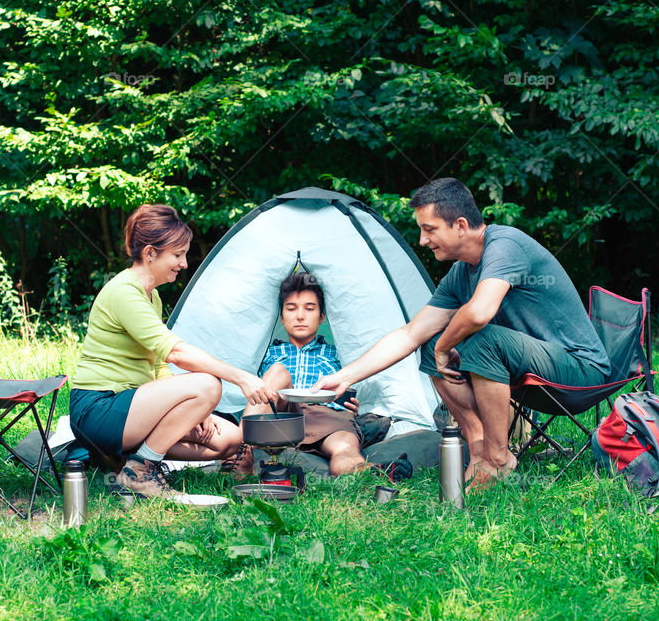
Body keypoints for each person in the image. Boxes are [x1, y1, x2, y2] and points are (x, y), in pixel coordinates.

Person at [315, 178, 610, 490]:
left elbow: (480, 312)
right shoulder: (461, 272)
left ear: (459, 225)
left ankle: (498, 460)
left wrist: (445, 347)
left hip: (579, 376)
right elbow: (411, 333)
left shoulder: (505, 246)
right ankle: (480, 448)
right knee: (430, 344)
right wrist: (346, 377)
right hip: (528, 379)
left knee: (482, 339)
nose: (422, 240)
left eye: (429, 229)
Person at [69, 204, 273, 501]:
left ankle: (125, 461)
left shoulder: (152, 296)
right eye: (177, 255)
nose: (184, 263)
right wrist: (239, 377)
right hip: (99, 408)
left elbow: (160, 364)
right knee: (207, 384)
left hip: (130, 408)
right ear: (150, 253)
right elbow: (175, 352)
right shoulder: (124, 292)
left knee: (228, 439)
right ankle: (140, 471)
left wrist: (197, 412)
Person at [239, 272, 367, 476]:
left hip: (324, 415)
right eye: (291, 309)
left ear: (322, 316)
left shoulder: (336, 353)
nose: (300, 316)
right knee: (277, 371)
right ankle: (241, 451)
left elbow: (349, 385)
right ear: (281, 317)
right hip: (279, 415)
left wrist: (351, 404)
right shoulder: (266, 352)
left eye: (309, 309)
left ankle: (367, 474)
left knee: (345, 448)